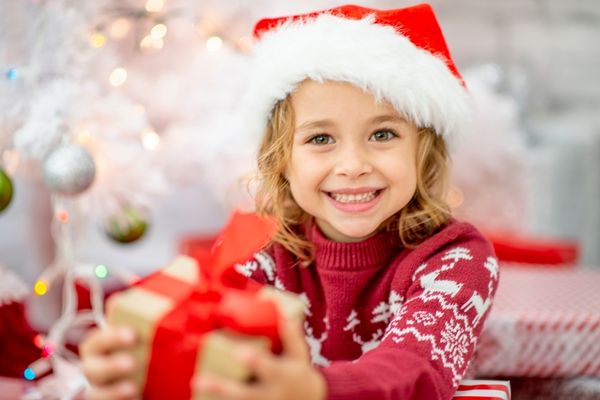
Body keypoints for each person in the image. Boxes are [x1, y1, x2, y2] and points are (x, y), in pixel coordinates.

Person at [79, 4, 499, 400]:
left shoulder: (456, 259)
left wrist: (314, 390)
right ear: (282, 161)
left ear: (422, 149)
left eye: (383, 134)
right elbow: (205, 353)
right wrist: (135, 363)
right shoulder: (258, 251)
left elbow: (416, 370)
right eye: (320, 139)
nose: (352, 165)